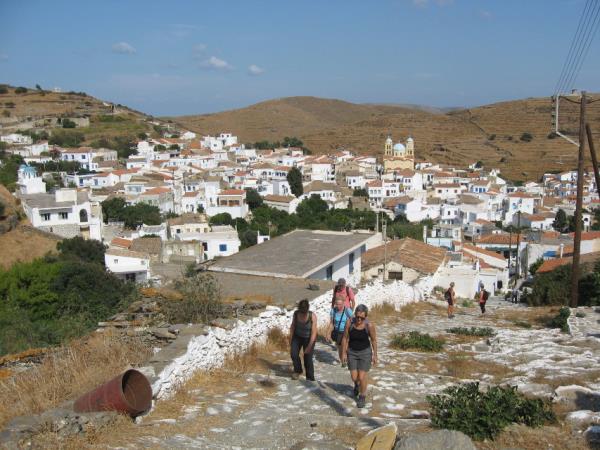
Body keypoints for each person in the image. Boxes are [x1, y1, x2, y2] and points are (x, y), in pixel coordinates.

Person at [341, 304, 377, 408]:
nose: (359, 319)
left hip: (365, 352)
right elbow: (345, 338)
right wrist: (343, 353)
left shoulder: (369, 325)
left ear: (366, 317)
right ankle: (357, 385)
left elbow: (374, 340)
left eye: (362, 317)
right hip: (352, 352)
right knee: (354, 377)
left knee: (362, 376)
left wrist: (375, 355)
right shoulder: (349, 323)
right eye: (357, 317)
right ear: (355, 315)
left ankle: (362, 396)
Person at [289, 299, 318, 381]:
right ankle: (298, 370)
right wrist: (290, 339)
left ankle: (310, 378)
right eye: (301, 312)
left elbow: (314, 333)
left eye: (304, 313)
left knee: (307, 358)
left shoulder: (312, 316)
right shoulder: (296, 314)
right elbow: (293, 326)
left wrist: (309, 346)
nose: (303, 314)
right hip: (297, 336)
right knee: (293, 354)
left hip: (309, 338)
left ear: (307, 310)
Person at [326, 294, 353, 366]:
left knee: (346, 348)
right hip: (338, 332)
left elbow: (353, 321)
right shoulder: (333, 311)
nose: (338, 306)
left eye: (340, 304)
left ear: (343, 303)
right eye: (337, 304)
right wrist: (328, 333)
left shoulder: (348, 311)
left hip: (347, 332)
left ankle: (348, 361)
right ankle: (343, 361)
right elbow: (332, 323)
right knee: (340, 349)